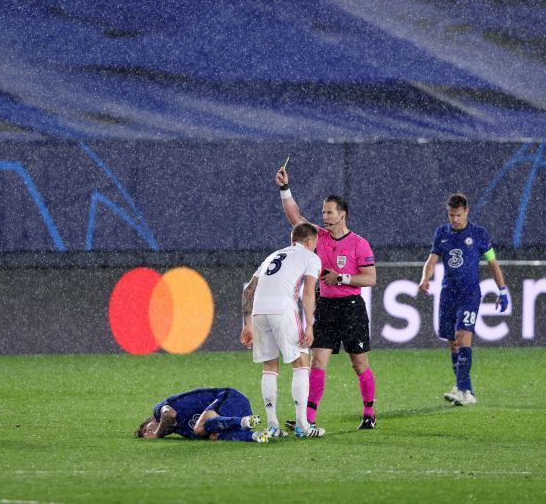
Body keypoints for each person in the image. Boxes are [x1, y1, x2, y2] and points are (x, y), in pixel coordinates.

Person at [274, 166, 378, 430]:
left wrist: (341, 278)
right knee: (317, 362)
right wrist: (285, 189)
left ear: (342, 214)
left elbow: (370, 278)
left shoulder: (359, 244)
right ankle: (308, 419)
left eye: (329, 212)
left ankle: (369, 412)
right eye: (323, 212)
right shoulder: (319, 237)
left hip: (351, 307)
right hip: (327, 306)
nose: (324, 216)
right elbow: (295, 218)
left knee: (359, 364)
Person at [418, 193, 509, 406]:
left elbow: (493, 264)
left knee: (462, 338)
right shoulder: (442, 233)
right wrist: (425, 278)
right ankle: (465, 390)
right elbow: (431, 260)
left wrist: (502, 291)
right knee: (453, 343)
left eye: (458, 215)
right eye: (451, 215)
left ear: (467, 211)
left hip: (469, 294)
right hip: (448, 294)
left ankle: (463, 390)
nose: (455, 219)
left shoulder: (479, 234)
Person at [240, 222, 325, 438]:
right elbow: (308, 292)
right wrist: (310, 325)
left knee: (269, 366)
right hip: (283, 310)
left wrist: (247, 324)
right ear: (309, 241)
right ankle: (303, 425)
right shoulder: (311, 257)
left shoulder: (273, 255)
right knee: (301, 361)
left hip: (259, 312)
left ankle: (273, 425)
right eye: (315, 243)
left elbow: (249, 290)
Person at [135, 387, 270, 442]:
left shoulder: (159, 411)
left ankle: (242, 421)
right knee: (213, 435)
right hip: (233, 414)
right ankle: (256, 435)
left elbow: (169, 414)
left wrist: (156, 433)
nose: (150, 432)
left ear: (150, 420)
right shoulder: (183, 431)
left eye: (147, 429)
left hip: (230, 398)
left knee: (200, 428)